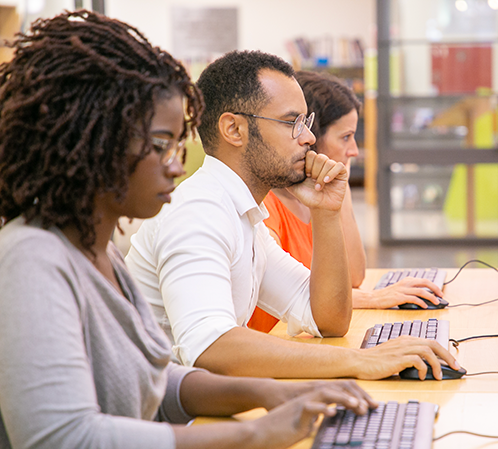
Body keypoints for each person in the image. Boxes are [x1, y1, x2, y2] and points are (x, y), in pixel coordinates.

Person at [0, 11, 376, 449]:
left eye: (177, 145)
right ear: (96, 141)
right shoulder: (32, 258)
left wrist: (272, 392)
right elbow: (64, 438)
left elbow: (155, 384)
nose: (176, 165)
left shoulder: (100, 255)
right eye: (160, 145)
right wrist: (255, 431)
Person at [125, 49, 461, 380]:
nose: (309, 138)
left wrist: (326, 214)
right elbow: (210, 348)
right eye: (291, 123)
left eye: (306, 123)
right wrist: (358, 360)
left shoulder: (245, 217)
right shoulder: (199, 212)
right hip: (171, 424)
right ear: (234, 130)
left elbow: (328, 318)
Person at [248, 70, 445, 333]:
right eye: (345, 137)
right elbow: (300, 299)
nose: (353, 150)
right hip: (279, 346)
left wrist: (342, 190)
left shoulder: (311, 203)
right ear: (312, 140)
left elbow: (353, 276)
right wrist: (376, 298)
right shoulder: (267, 209)